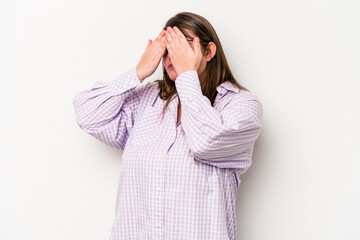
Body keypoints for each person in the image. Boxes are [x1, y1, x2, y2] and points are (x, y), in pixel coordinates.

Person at [73, 11, 263, 240]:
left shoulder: (240, 105)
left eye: (182, 44)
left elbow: (206, 142)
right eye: (167, 47)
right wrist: (138, 72)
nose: (173, 54)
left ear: (209, 51)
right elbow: (88, 115)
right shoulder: (148, 100)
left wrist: (186, 75)